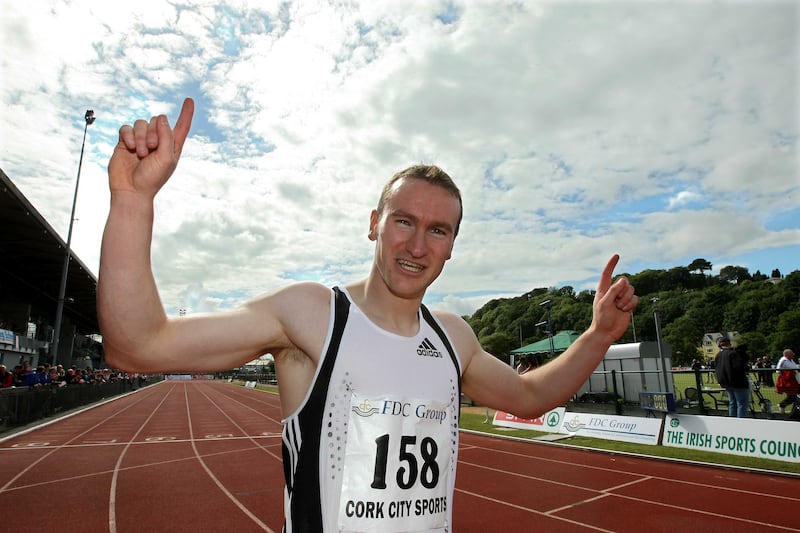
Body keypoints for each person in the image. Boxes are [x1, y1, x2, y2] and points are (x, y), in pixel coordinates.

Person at [98, 98, 639, 533]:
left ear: (452, 246)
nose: (417, 245)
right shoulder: (312, 315)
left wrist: (597, 335)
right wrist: (133, 200)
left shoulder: (453, 337)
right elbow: (139, 345)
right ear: (374, 224)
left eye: (438, 230)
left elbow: (530, 397)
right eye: (404, 222)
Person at [714, 336, 750, 417]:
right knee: (742, 403)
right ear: (729, 343)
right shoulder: (732, 353)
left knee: (732, 402)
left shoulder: (718, 355)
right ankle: (741, 423)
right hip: (737, 382)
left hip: (726, 382)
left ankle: (732, 421)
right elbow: (739, 367)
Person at [776, 349, 798, 415]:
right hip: (788, 381)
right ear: (787, 355)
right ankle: (782, 405)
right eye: (792, 354)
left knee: (795, 396)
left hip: (795, 380)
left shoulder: (791, 360)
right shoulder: (783, 361)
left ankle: (794, 410)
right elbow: (778, 370)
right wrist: (788, 372)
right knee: (792, 396)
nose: (793, 355)